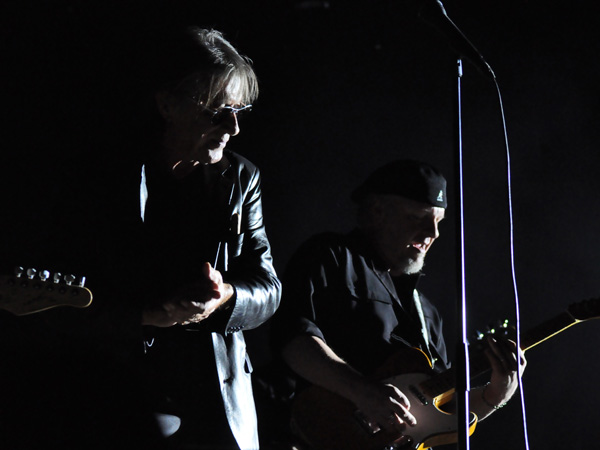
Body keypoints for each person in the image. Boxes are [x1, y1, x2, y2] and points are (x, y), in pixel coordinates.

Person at [270, 160, 526, 449]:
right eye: (419, 217)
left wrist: (496, 395)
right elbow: (292, 337)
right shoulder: (331, 255)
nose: (433, 233)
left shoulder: (426, 313)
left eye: (439, 222)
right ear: (378, 211)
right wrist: (363, 392)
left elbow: (440, 411)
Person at [135, 27, 281, 450]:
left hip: (218, 400)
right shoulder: (106, 178)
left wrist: (226, 298)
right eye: (217, 110)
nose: (234, 127)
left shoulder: (240, 177)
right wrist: (146, 315)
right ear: (167, 104)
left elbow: (269, 287)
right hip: (127, 393)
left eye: (240, 110)